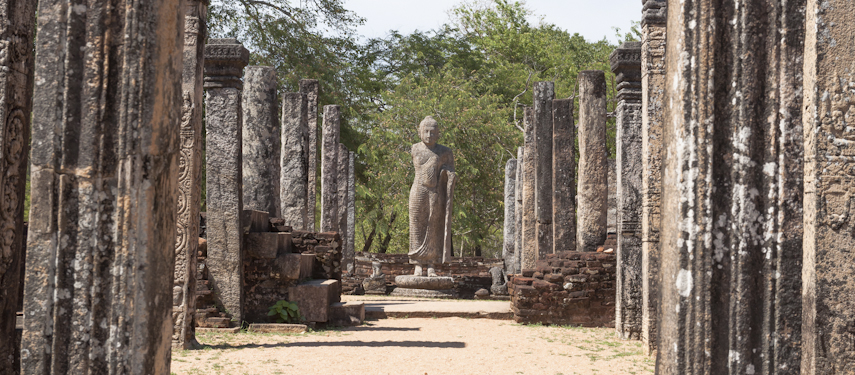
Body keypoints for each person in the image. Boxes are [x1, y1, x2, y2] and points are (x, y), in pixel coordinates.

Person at [408, 116, 456, 277]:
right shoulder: (415, 148)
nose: (429, 135)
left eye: (433, 132)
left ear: (438, 134)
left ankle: (431, 264)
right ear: (420, 132)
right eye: (426, 132)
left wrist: (449, 174)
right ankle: (417, 264)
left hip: (435, 191)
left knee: (433, 226)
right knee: (416, 226)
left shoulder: (445, 151)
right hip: (418, 189)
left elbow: (451, 170)